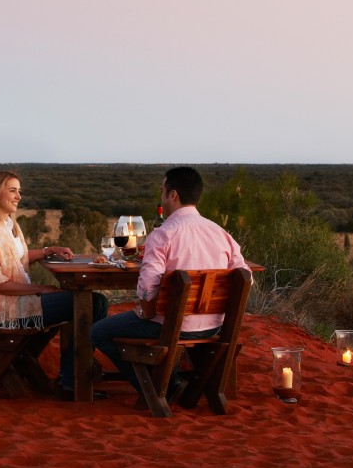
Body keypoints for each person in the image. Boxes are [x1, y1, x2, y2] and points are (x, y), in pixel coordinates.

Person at [90, 166, 250, 402]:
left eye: (163, 191)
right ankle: (172, 381)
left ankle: (156, 386)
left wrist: (146, 311)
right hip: (214, 327)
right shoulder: (221, 233)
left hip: (173, 326)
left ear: (173, 195)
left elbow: (148, 285)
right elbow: (245, 276)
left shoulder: (164, 234)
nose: (162, 197)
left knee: (97, 332)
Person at [0, 170, 108, 399]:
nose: (18, 196)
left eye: (19, 191)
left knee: (94, 302)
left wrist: (48, 250)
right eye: (12, 190)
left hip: (19, 301)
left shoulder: (7, 225)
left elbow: (17, 257)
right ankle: (72, 382)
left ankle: (71, 379)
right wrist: (39, 289)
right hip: (6, 309)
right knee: (91, 302)